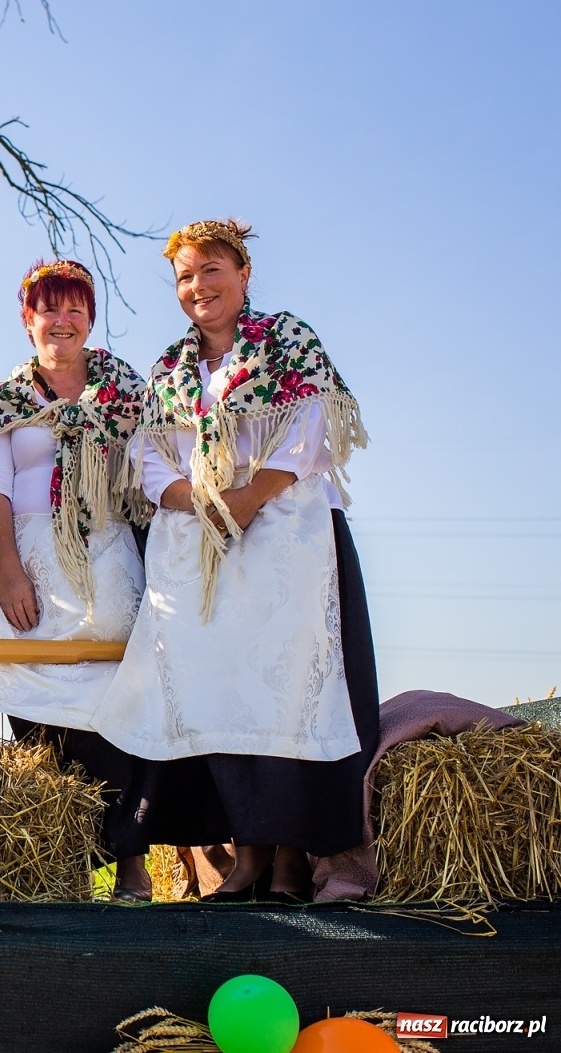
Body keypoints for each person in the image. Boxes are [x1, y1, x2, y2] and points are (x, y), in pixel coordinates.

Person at [90, 220, 378, 902]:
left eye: (211, 270)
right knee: (219, 693)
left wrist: (248, 498)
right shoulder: (170, 370)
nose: (199, 287)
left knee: (287, 691)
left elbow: (312, 431)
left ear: (243, 273)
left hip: (287, 540)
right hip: (200, 547)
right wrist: (201, 499)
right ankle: (246, 856)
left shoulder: (286, 342)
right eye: (185, 277)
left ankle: (288, 861)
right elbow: (152, 459)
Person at [0, 259, 153, 900]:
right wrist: (9, 574)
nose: (62, 320)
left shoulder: (126, 392)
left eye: (76, 308)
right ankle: (64, 862)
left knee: (117, 709)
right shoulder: (6, 401)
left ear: (90, 320)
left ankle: (130, 860)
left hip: (105, 558)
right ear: (29, 321)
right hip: (30, 568)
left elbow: (156, 471)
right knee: (37, 713)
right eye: (50, 308)